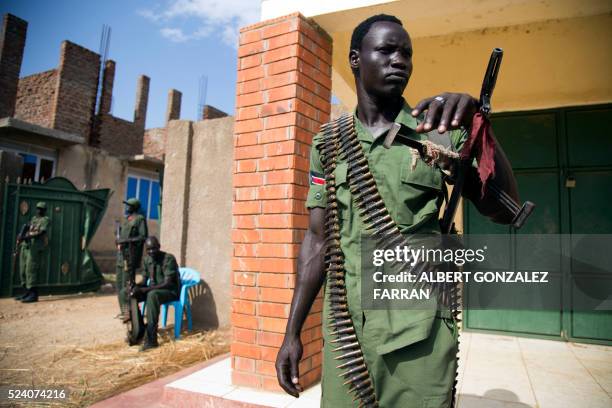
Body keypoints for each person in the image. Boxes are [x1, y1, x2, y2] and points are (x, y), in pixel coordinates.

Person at [275, 14, 519, 407]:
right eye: (386, 50)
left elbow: (504, 210)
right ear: (356, 59)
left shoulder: (440, 132)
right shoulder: (328, 144)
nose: (399, 60)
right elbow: (317, 242)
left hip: (417, 333)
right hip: (346, 334)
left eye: (406, 53)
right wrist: (292, 333)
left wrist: (478, 124)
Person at [118, 236, 181, 351]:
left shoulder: (168, 258)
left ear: (159, 247)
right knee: (125, 292)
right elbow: (144, 280)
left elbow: (168, 283)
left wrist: (145, 290)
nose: (151, 252)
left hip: (170, 291)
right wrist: (136, 287)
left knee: (152, 295)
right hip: (154, 290)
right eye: (149, 249)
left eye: (154, 249)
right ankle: (138, 328)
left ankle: (151, 339)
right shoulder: (147, 260)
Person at [115, 198, 148, 315]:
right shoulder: (126, 219)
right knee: (119, 284)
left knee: (127, 284)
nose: (127, 207)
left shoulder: (140, 219)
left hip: (130, 256)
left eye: (129, 205)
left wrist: (126, 241)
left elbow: (143, 236)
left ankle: (130, 311)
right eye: (126, 205)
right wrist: (118, 240)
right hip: (121, 256)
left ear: (134, 207)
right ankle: (123, 311)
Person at [15, 201, 50, 303]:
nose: (39, 210)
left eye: (41, 209)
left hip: (34, 248)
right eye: (38, 208)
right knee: (23, 270)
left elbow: (41, 232)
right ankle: (26, 293)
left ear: (44, 210)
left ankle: (33, 295)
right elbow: (28, 227)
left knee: (31, 270)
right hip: (26, 246)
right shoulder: (33, 219)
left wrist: (26, 236)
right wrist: (21, 235)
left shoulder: (45, 220)